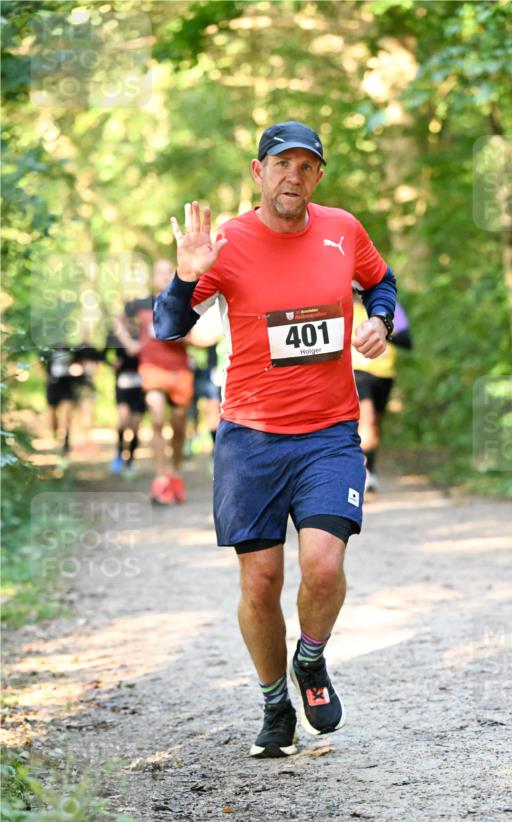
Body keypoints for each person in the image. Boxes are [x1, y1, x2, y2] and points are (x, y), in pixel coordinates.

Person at [154, 121, 397, 758]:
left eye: (306, 166)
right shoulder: (228, 240)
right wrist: (185, 276)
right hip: (251, 439)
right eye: (280, 164)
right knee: (260, 582)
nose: (293, 175)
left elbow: (382, 281)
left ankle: (310, 661)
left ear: (318, 176)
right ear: (257, 171)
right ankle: (273, 704)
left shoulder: (343, 229)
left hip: (329, 434)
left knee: (323, 563)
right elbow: (168, 327)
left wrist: (377, 320)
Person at [113, 260, 194, 504]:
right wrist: (129, 344)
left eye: (169, 271)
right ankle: (160, 478)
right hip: (151, 368)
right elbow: (117, 320)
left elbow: (196, 334)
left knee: (178, 426)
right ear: (153, 277)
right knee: (157, 418)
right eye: (159, 272)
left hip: (179, 370)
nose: (164, 275)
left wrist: (182, 335)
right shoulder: (141, 304)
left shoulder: (184, 300)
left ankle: (176, 473)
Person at [352, 292, 412, 491]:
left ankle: (371, 468)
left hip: (384, 374)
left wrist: (382, 329)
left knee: (375, 424)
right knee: (366, 420)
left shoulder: (390, 306)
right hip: (357, 372)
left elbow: (407, 340)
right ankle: (358, 471)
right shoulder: (344, 305)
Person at [105, 326, 146, 476]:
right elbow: (103, 354)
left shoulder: (143, 333)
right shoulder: (115, 335)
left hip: (140, 387)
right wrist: (113, 364)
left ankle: (130, 462)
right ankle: (118, 454)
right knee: (123, 420)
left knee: (135, 426)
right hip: (122, 386)